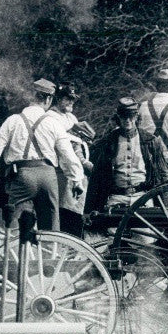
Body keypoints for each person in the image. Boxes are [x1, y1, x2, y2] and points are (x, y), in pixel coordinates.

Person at [0, 78, 84, 232]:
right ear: (48, 99)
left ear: (32, 97)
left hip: (22, 176)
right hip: (48, 176)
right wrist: (76, 179)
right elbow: (68, 154)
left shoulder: (12, 121)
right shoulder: (54, 123)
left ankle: (15, 250)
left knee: (14, 227)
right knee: (50, 228)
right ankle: (50, 252)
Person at [87, 97, 163, 212]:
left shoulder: (150, 141)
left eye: (131, 116)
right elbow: (96, 177)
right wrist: (88, 210)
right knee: (112, 230)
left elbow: (160, 175)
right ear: (118, 117)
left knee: (146, 230)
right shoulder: (108, 142)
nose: (127, 120)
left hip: (143, 197)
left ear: (136, 116)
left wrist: (166, 207)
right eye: (123, 116)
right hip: (116, 198)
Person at [45, 83, 95, 239]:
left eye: (73, 100)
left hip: (77, 170)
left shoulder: (70, 117)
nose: (71, 102)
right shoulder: (51, 117)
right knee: (67, 212)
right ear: (58, 99)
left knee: (76, 213)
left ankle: (75, 249)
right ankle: (68, 249)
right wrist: (83, 162)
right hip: (63, 172)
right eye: (68, 99)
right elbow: (67, 147)